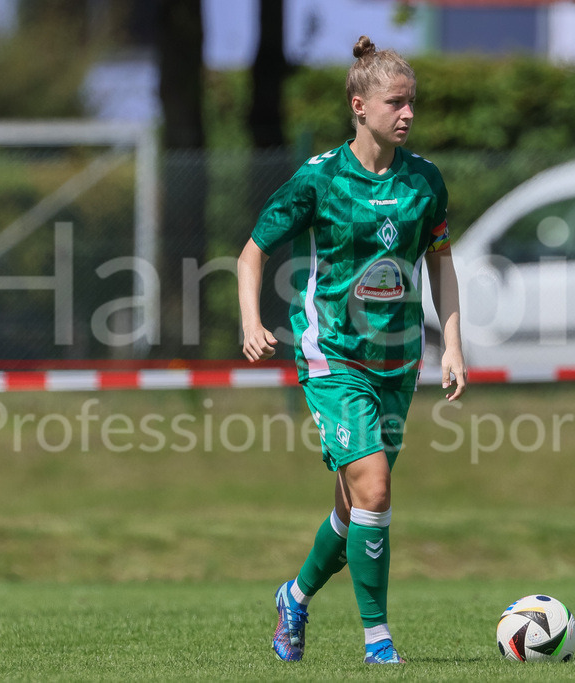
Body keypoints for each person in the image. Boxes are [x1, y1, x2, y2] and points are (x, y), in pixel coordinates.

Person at [237, 34, 466, 666]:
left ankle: (295, 594)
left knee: (357, 505)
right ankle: (378, 642)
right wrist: (251, 320)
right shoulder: (320, 179)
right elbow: (252, 251)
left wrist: (451, 345)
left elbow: (442, 265)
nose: (408, 114)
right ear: (359, 106)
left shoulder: (426, 182)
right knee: (375, 487)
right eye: (396, 103)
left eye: (412, 102)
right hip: (332, 352)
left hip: (397, 361)